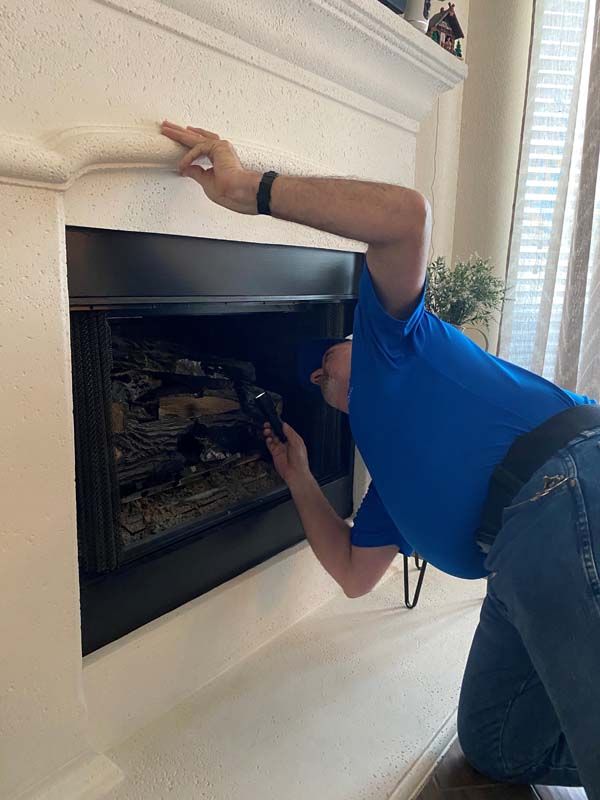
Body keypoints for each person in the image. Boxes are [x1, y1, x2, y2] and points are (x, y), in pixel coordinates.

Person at [160, 121, 600, 798]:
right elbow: (353, 575)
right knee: (495, 744)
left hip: (570, 482)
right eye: (313, 382)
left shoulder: (400, 340)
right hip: (515, 562)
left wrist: (247, 188)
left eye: (324, 359)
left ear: (358, 337)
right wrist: (301, 477)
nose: (316, 377)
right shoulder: (390, 484)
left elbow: (404, 216)